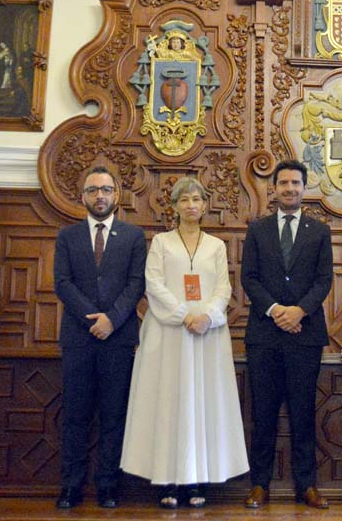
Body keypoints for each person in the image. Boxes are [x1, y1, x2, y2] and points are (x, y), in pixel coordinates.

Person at [120, 177, 249, 508]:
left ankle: (196, 481)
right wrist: (183, 314)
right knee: (169, 402)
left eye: (197, 199)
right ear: (174, 207)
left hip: (207, 335)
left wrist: (206, 315)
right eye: (184, 200)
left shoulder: (216, 246)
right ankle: (168, 480)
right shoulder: (161, 243)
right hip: (168, 334)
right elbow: (154, 283)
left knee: (202, 404)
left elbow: (224, 288)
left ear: (205, 205)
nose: (191, 204)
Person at [240, 159, 333, 509]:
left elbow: (324, 280)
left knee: (302, 412)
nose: (290, 188)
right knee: (263, 413)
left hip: (305, 334)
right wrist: (277, 310)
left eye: (296, 183)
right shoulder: (257, 229)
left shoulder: (319, 230)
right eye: (284, 183)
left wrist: (299, 311)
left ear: (304, 188)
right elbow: (249, 278)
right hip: (265, 333)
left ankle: (306, 486)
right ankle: (259, 485)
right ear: (274, 189)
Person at [53, 166, 146, 509]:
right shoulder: (68, 236)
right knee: (75, 416)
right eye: (93, 190)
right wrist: (93, 318)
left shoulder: (134, 236)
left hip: (119, 339)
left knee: (113, 415)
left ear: (116, 196)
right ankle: (70, 487)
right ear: (83, 197)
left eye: (106, 190)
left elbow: (136, 283)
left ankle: (107, 486)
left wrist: (112, 319)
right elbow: (62, 283)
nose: (100, 196)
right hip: (78, 338)